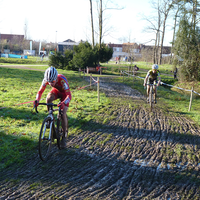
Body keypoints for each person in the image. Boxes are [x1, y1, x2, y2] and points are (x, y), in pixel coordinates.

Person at [34, 66, 71, 148]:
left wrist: (64, 103)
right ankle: (51, 117)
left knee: (63, 114)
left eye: (53, 81)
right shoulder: (46, 80)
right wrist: (37, 100)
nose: (51, 84)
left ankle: (64, 136)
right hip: (56, 92)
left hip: (65, 95)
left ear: (56, 79)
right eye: (49, 82)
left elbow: (69, 96)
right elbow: (40, 92)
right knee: (48, 98)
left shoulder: (62, 80)